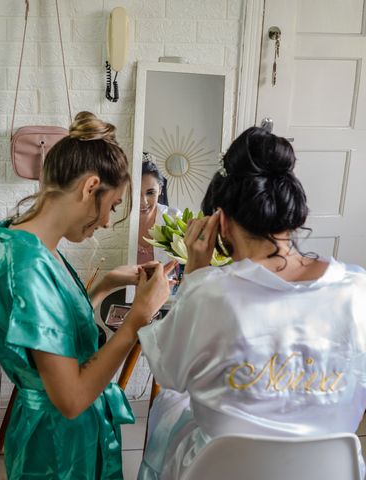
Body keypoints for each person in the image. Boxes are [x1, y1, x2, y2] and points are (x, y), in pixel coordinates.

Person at [137, 126, 366, 480]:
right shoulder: (357, 290)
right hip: (329, 471)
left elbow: (169, 374)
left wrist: (196, 275)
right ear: (293, 214)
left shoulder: (209, 293)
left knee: (170, 409)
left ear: (221, 222)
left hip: (224, 472)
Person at [0, 111, 174, 479]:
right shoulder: (28, 267)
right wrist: (136, 320)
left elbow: (54, 335)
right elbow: (70, 399)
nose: (106, 221)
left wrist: (104, 286)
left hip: (63, 433)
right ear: (90, 188)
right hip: (58, 445)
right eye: (113, 205)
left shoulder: (32, 245)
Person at [137, 155, 181, 264]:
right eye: (137, 193)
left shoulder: (174, 217)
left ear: (160, 189)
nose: (144, 202)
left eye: (150, 193)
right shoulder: (119, 221)